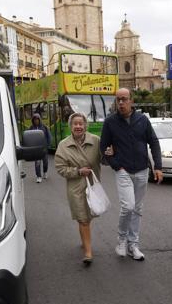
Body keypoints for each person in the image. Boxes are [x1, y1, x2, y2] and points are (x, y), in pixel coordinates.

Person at [100, 88, 163, 261]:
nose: (121, 102)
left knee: (137, 209)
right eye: (118, 100)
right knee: (128, 206)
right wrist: (115, 165)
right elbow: (103, 147)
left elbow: (154, 142)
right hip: (123, 171)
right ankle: (121, 239)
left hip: (142, 171)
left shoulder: (142, 120)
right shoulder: (110, 122)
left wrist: (158, 166)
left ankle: (133, 245)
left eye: (124, 99)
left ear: (131, 101)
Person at [55, 112, 104, 266]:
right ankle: (88, 252)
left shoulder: (96, 141)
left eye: (80, 124)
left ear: (85, 126)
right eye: (75, 124)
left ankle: (85, 239)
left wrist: (110, 154)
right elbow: (60, 168)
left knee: (87, 218)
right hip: (75, 188)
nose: (78, 126)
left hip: (93, 186)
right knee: (83, 219)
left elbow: (106, 160)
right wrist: (77, 171)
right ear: (70, 126)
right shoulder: (63, 145)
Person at [29, 113, 51, 183]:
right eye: (34, 120)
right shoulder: (31, 128)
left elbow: (49, 137)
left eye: (37, 119)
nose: (36, 121)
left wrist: (48, 145)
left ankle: (45, 172)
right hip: (36, 149)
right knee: (37, 163)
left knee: (45, 162)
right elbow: (29, 137)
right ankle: (38, 176)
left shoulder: (44, 127)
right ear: (33, 120)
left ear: (39, 120)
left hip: (44, 148)